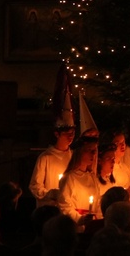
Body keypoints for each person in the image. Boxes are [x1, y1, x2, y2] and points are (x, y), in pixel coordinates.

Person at [29, 65, 75, 207]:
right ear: (57, 134)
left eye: (72, 134)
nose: (70, 137)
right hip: (50, 208)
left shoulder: (74, 156)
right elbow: (35, 186)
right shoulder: (45, 158)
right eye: (66, 134)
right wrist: (50, 194)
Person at [58, 135, 99, 224]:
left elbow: (97, 203)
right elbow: (64, 205)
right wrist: (80, 219)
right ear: (79, 152)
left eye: (94, 151)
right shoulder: (70, 178)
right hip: (75, 225)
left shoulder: (92, 177)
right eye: (89, 150)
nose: (93, 154)